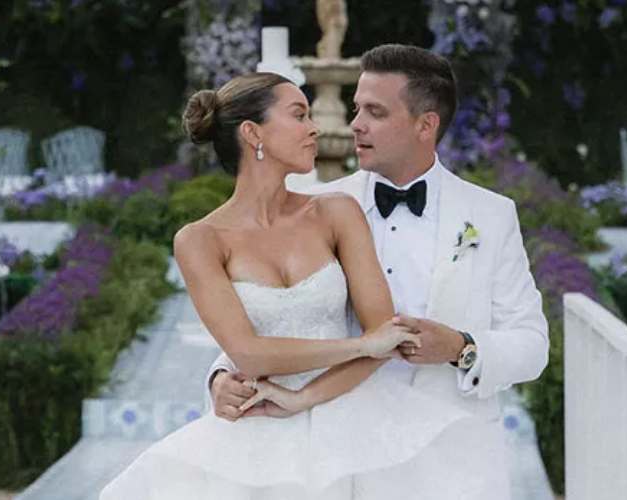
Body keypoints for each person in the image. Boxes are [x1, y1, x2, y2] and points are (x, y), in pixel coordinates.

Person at [100, 71, 477, 500]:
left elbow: (385, 336)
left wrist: (305, 397)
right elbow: (247, 352)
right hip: (256, 430)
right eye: (299, 114)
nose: (314, 127)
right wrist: (360, 346)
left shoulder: (337, 212)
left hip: (351, 423)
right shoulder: (199, 240)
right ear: (252, 133)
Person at [207, 44, 550, 499]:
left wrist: (462, 348)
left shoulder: (490, 215)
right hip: (344, 457)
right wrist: (220, 377)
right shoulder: (318, 209)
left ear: (425, 125)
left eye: (375, 112)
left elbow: (531, 343)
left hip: (455, 462)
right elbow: (272, 314)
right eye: (356, 109)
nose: (355, 125)